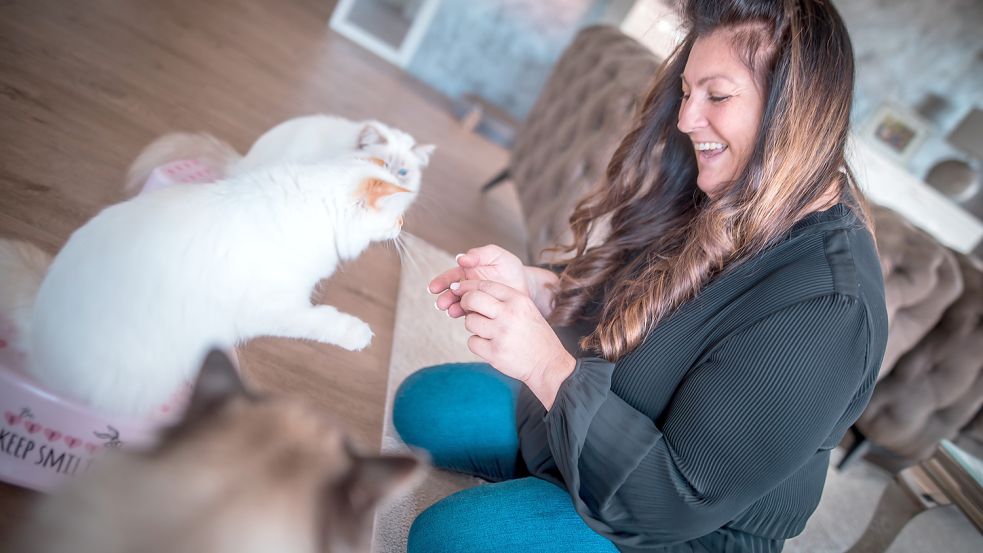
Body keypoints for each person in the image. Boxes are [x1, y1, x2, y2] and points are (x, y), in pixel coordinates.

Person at [393, 1, 888, 551]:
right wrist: (541, 290)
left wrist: (545, 366)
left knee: (445, 538)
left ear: (795, 110)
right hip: (613, 415)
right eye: (686, 91)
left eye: (717, 96)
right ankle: (564, 489)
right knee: (424, 405)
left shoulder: (829, 309)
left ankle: (564, 500)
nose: (686, 118)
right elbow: (633, 301)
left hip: (673, 524)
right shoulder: (732, 186)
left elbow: (672, 498)